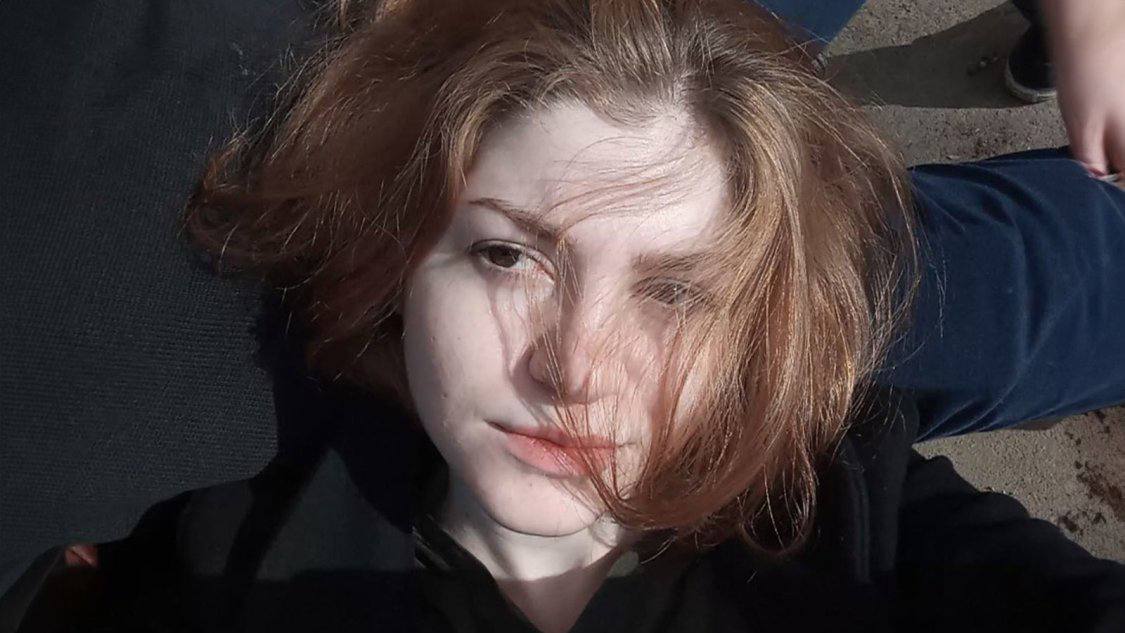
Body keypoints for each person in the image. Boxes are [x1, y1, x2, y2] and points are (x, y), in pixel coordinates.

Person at [1, 1, 1124, 631]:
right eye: (506, 256)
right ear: (403, 261)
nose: (574, 367)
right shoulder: (207, 541)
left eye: (674, 291)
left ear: (756, 326)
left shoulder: (846, 501)